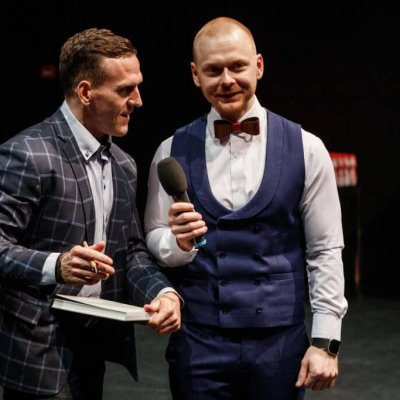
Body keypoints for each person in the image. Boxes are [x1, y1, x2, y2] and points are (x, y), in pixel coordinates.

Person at [144, 17, 348, 400]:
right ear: (195, 75)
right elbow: (154, 236)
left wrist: (326, 342)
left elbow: (325, 250)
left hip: (279, 345)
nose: (227, 80)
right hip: (198, 343)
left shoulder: (307, 148)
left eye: (237, 66)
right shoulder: (170, 150)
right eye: (213, 70)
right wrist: (179, 244)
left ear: (258, 66)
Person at [0, 28, 181, 399]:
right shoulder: (28, 154)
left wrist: (164, 293)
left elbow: (131, 252)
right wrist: (56, 265)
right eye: (125, 89)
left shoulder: (124, 165)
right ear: (85, 92)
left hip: (93, 348)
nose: (138, 100)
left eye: (138, 86)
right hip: (37, 352)